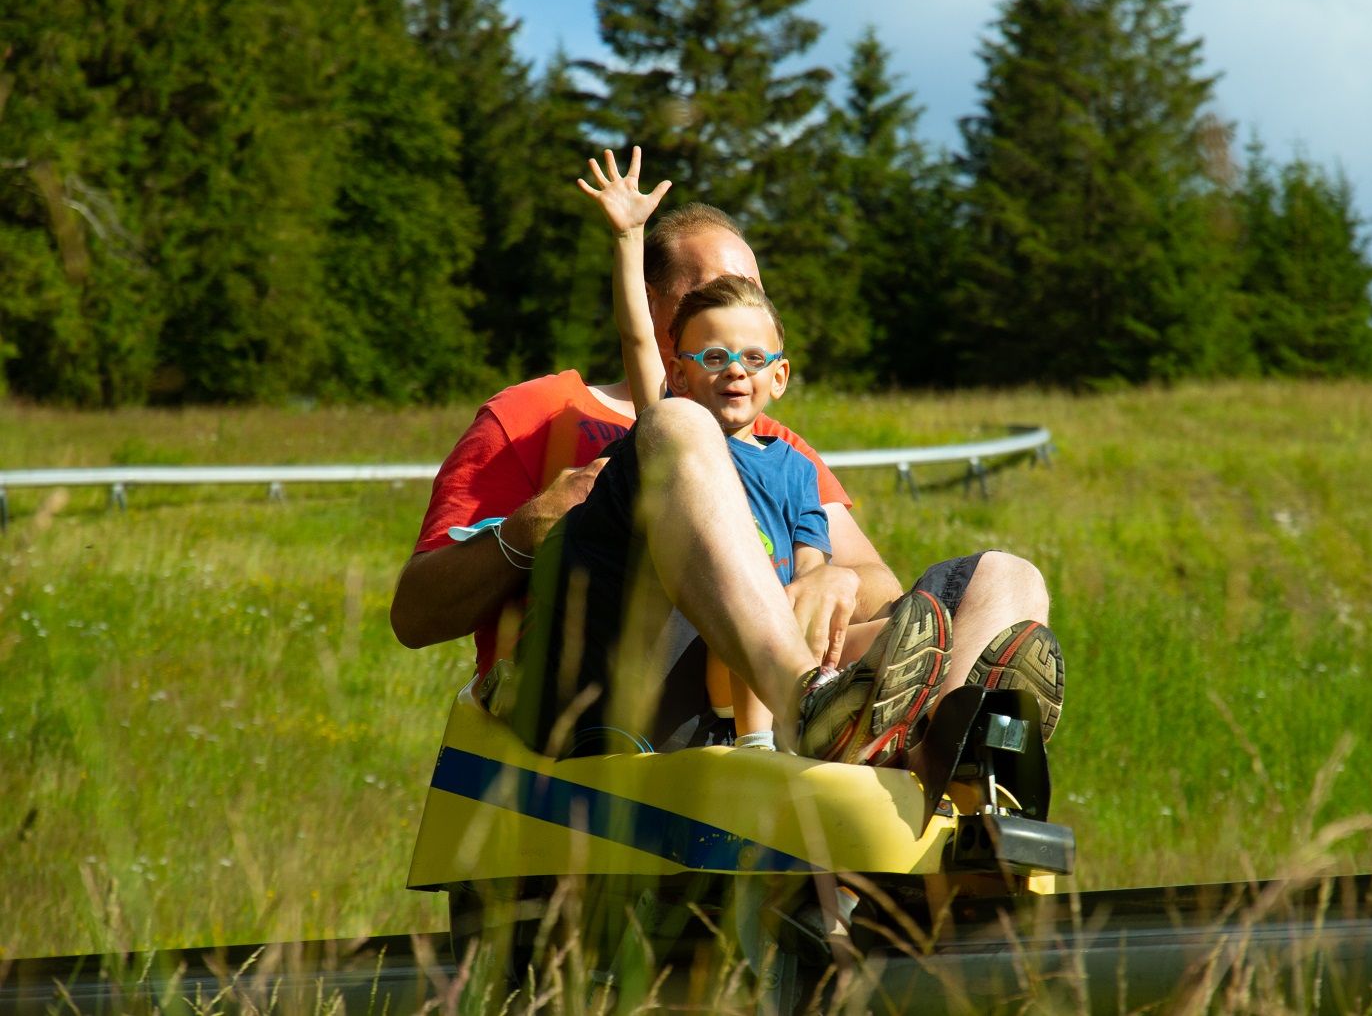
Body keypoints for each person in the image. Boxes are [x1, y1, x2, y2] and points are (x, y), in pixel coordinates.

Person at [389, 155, 1065, 751]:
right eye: (710, 293)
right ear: (657, 310)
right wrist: (523, 531)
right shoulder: (538, 416)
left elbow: (882, 591)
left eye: (752, 297)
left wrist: (836, 577)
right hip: (603, 691)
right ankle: (805, 701)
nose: (734, 311)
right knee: (678, 429)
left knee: (1006, 578)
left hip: (747, 703)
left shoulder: (782, 450)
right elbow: (416, 615)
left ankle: (955, 750)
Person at [577, 147, 839, 751]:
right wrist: (628, 237)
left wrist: (821, 591)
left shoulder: (795, 465)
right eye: (713, 359)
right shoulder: (671, 428)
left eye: (753, 360)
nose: (734, 373)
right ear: (681, 373)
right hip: (710, 646)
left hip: (782, 630)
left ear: (780, 376)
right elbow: (636, 335)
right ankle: (760, 748)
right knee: (743, 647)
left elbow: (812, 560)